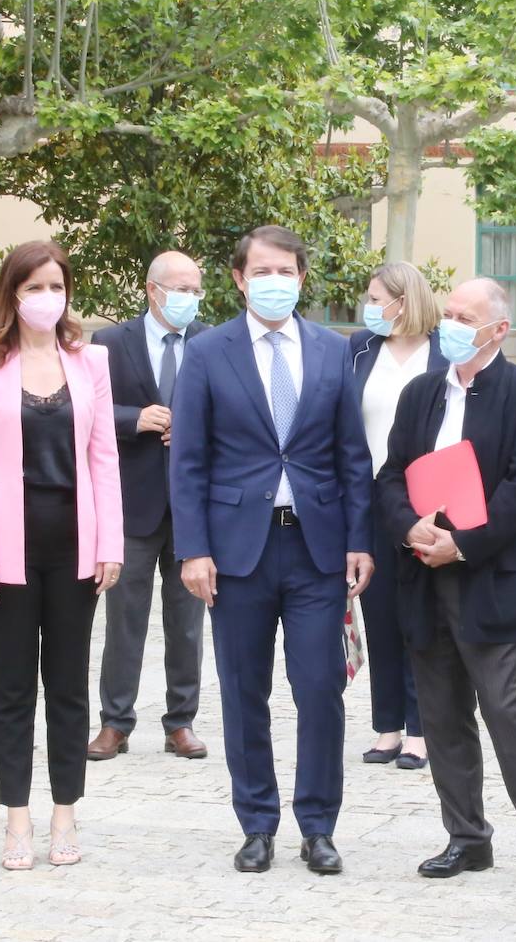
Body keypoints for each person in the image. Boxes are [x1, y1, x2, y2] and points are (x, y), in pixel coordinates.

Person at [170, 224, 374, 875]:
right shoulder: (207, 353)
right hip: (236, 554)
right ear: (238, 277)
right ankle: (257, 823)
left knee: (320, 690)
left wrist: (359, 540)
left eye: (286, 271)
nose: (275, 282)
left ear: (302, 277)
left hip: (316, 549)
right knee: (243, 691)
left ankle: (319, 826)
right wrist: (193, 549)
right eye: (263, 271)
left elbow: (352, 456)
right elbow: (190, 464)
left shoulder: (331, 351)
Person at [376, 278, 516, 891]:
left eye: (466, 317)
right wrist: (411, 529)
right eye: (448, 315)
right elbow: (389, 476)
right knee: (441, 714)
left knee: (506, 707)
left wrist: (461, 544)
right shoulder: (420, 394)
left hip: (488, 576)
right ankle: (467, 837)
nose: (452, 325)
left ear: (498, 330)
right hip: (421, 574)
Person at [0, 240, 124, 871]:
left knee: (69, 685)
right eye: (32, 288)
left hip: (76, 547)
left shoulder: (92, 362)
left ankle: (65, 813)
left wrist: (110, 542)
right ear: (12, 294)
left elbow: (103, 458)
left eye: (55, 286)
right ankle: (16, 820)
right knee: (12, 687)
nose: (45, 298)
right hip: (8, 549)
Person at [88, 252, 212, 761]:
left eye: (195, 289)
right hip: (132, 504)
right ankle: (115, 722)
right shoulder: (110, 342)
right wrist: (134, 419)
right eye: (178, 287)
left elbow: (230, 411)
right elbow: (89, 409)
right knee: (124, 619)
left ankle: (180, 722)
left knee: (187, 621)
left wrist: (191, 429)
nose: (188, 297)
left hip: (191, 509)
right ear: (151, 289)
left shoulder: (211, 341)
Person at [348, 262, 445, 771]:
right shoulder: (361, 348)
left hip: (426, 499)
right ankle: (387, 725)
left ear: (403, 301)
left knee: (421, 616)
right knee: (380, 613)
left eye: (376, 297)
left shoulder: (443, 350)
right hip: (369, 497)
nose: (369, 307)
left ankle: (420, 727)